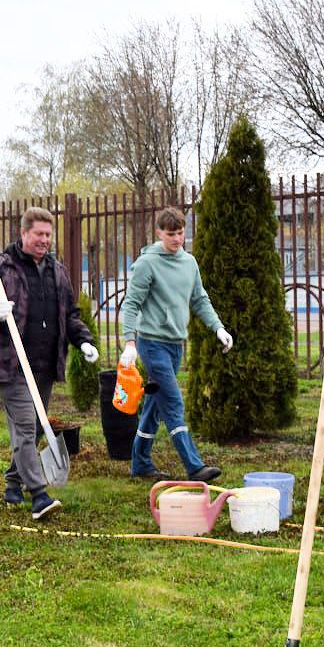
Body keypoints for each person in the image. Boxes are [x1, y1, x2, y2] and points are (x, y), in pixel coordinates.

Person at [0, 206, 98, 521]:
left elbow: (70, 313)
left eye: (48, 235)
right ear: (24, 233)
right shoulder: (0, 268)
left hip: (44, 363)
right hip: (11, 363)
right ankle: (39, 494)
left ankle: (13, 484)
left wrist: (83, 340)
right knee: (25, 425)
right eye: (38, 234)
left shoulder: (57, 271)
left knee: (36, 427)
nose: (44, 240)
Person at [118, 207, 232, 483]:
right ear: (159, 233)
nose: (177, 239)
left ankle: (140, 463)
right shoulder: (147, 264)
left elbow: (199, 299)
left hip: (175, 345)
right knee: (173, 401)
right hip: (151, 343)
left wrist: (218, 327)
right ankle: (195, 466)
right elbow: (131, 304)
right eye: (171, 234)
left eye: (180, 233)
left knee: (154, 406)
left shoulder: (189, 263)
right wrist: (130, 342)